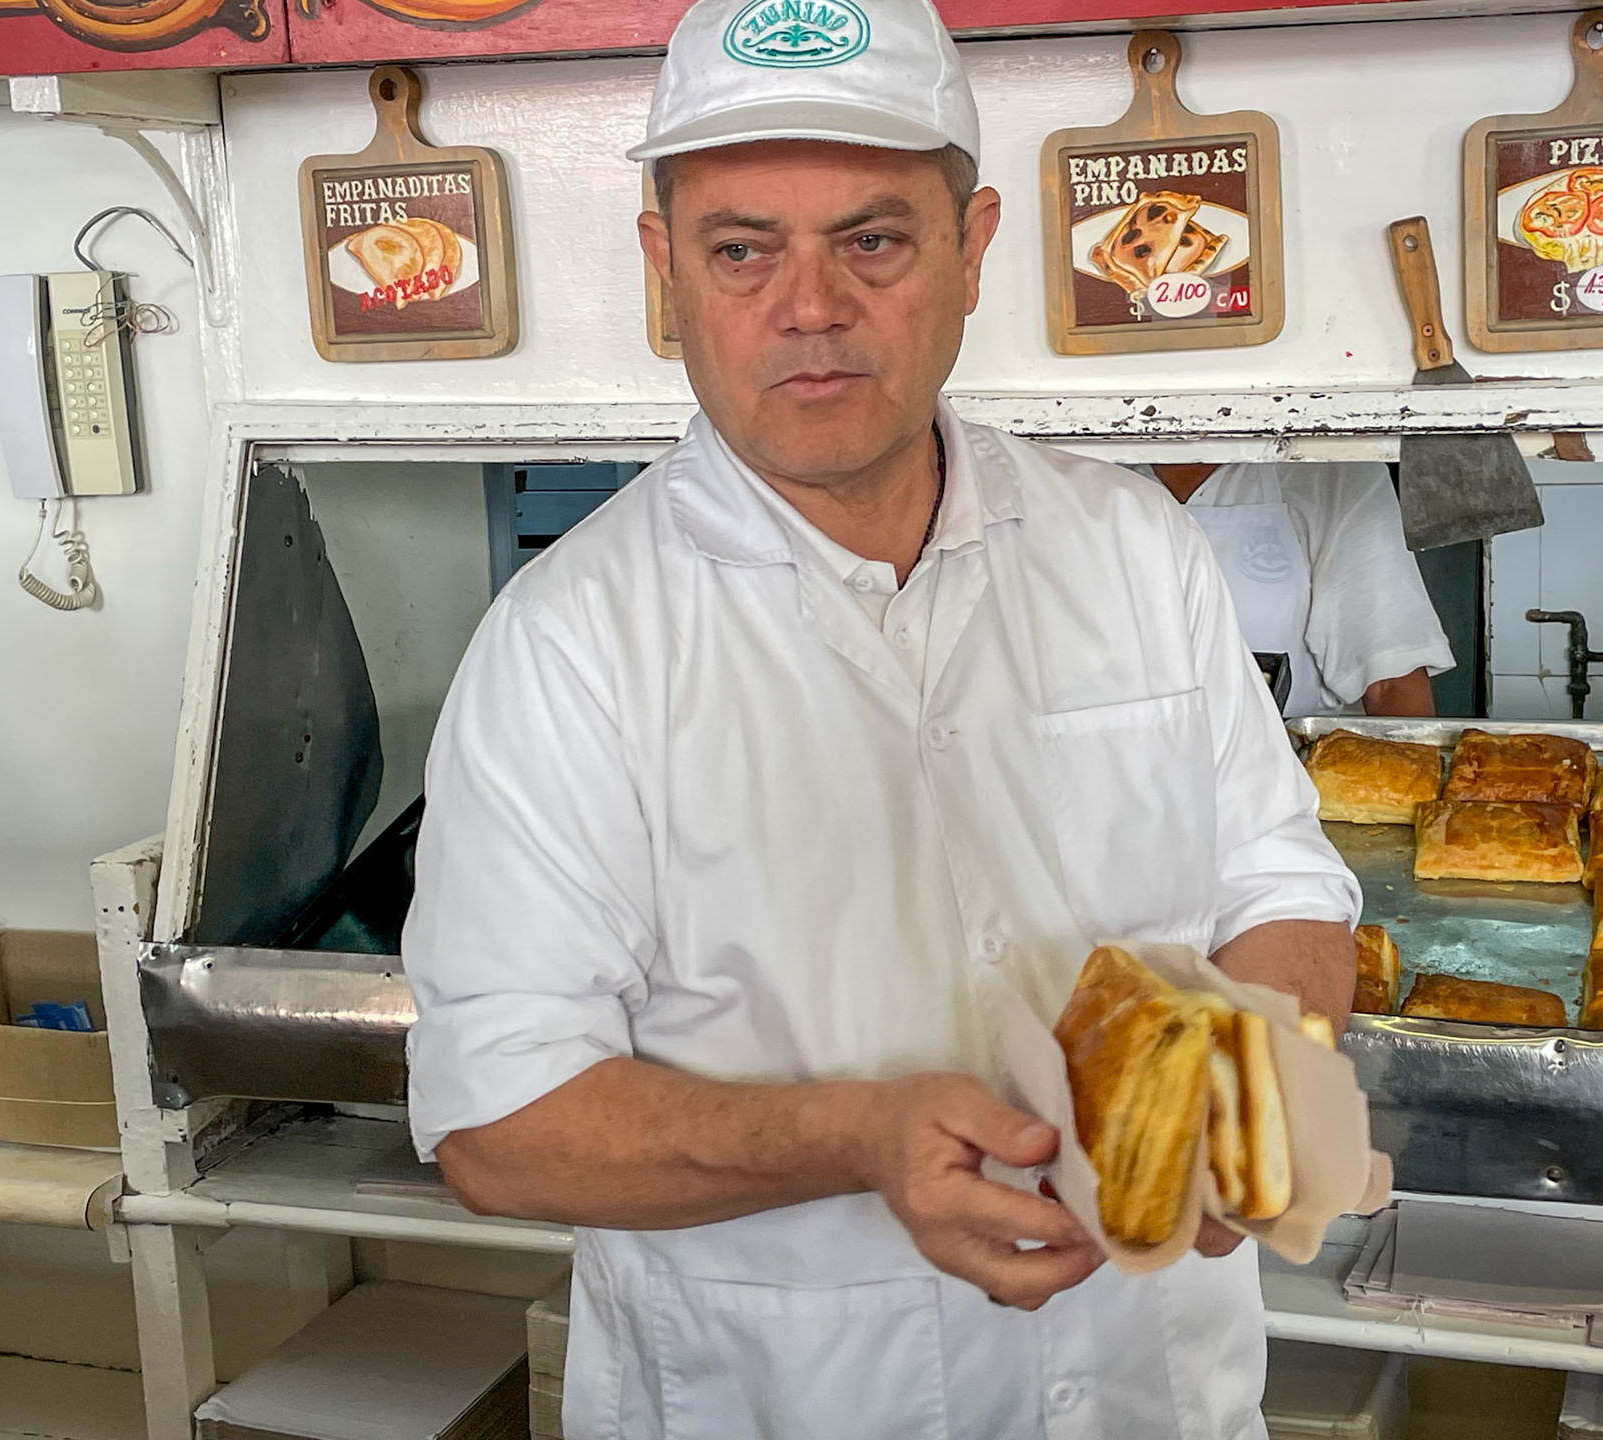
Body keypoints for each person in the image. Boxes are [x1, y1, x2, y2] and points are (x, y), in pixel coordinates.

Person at [402, 2, 1360, 1436]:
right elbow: (496, 1127)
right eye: (741, 249)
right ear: (665, 269)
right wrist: (857, 1139)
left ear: (972, 250)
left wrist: (1247, 1089)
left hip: (1154, 1392)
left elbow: (1281, 883)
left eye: (873, 241)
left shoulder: (1131, 550)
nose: (810, 307)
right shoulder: (572, 647)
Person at [1148, 461, 1455, 717]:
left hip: (1292, 774)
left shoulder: (1329, 467)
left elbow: (1391, 680)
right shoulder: (1104, 467)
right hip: (1123, 775)